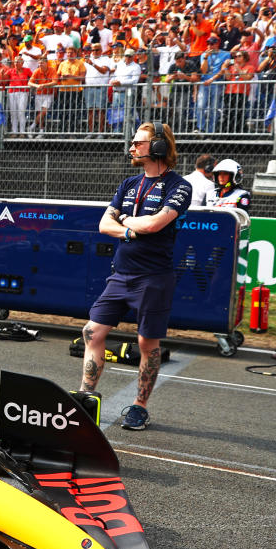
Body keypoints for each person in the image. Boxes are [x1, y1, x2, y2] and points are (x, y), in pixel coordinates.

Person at [79, 122, 191, 431]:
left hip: (154, 277)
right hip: (121, 274)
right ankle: (87, 396)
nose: (132, 147)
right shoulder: (129, 183)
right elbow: (104, 225)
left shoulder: (178, 186)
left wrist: (127, 220)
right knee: (92, 332)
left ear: (157, 147)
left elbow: (156, 225)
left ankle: (140, 407)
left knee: (146, 343)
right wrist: (130, 228)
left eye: (138, 142)